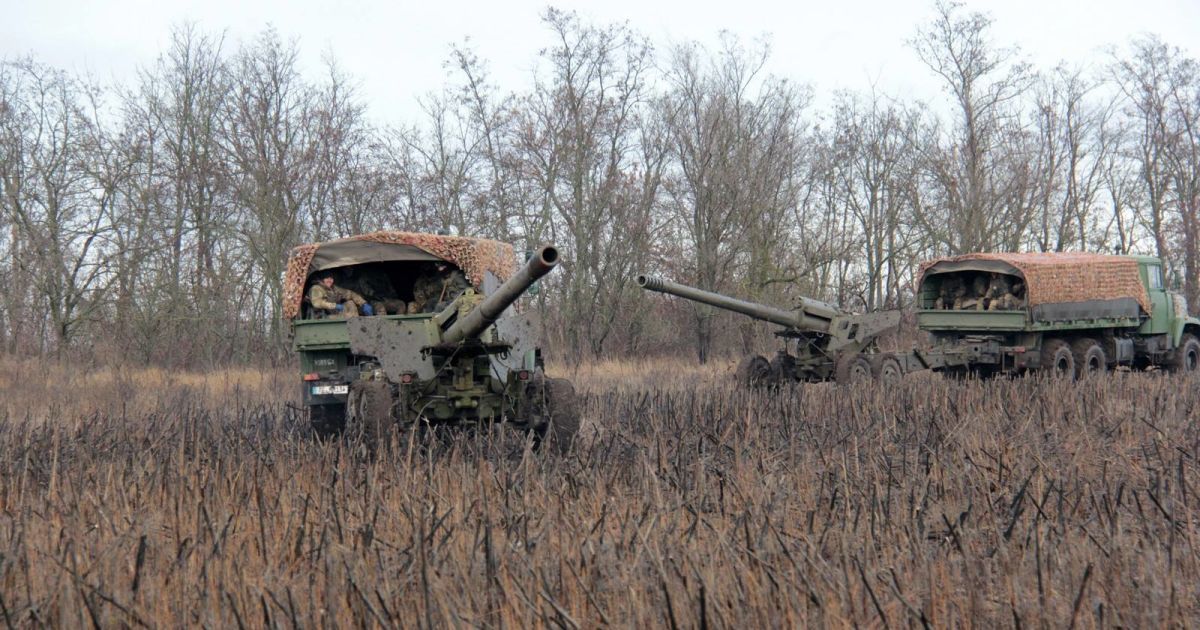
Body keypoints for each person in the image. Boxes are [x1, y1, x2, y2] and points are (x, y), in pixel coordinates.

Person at [307, 273, 372, 318]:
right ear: (322, 279)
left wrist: (363, 303)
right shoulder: (316, 288)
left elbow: (350, 294)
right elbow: (317, 303)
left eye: (331, 278)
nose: (330, 280)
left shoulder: (334, 288)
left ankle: (356, 324)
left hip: (334, 314)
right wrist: (335, 306)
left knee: (350, 303)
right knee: (349, 317)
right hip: (321, 317)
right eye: (327, 278)